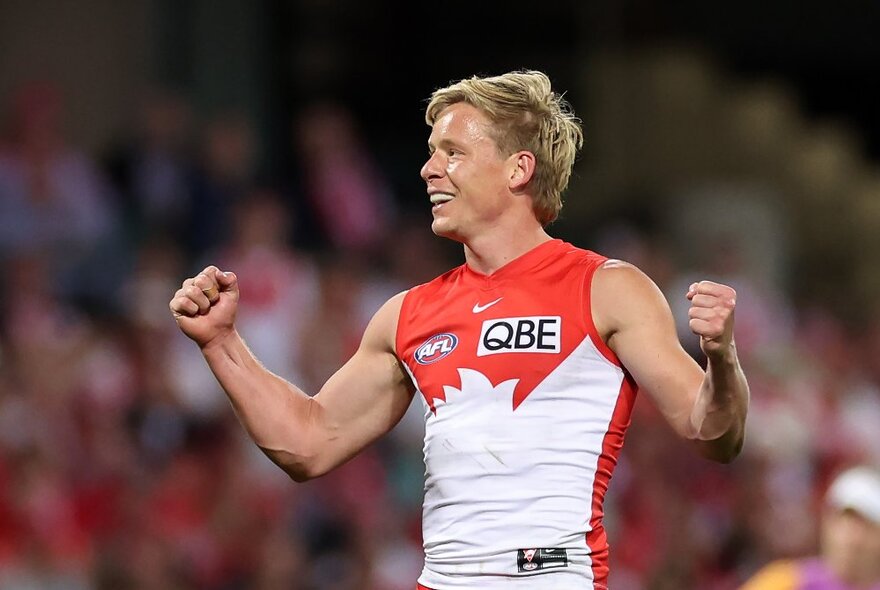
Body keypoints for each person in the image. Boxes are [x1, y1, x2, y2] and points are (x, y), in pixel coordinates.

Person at [169, 70, 749, 589]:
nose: (428, 168)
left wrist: (721, 359)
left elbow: (712, 433)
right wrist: (222, 344)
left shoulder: (606, 288)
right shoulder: (408, 313)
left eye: (453, 152)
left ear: (518, 169)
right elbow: (307, 443)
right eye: (430, 152)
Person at [741, 466, 880, 590]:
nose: (852, 538)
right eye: (843, 522)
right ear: (826, 523)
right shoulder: (787, 581)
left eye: (866, 526)